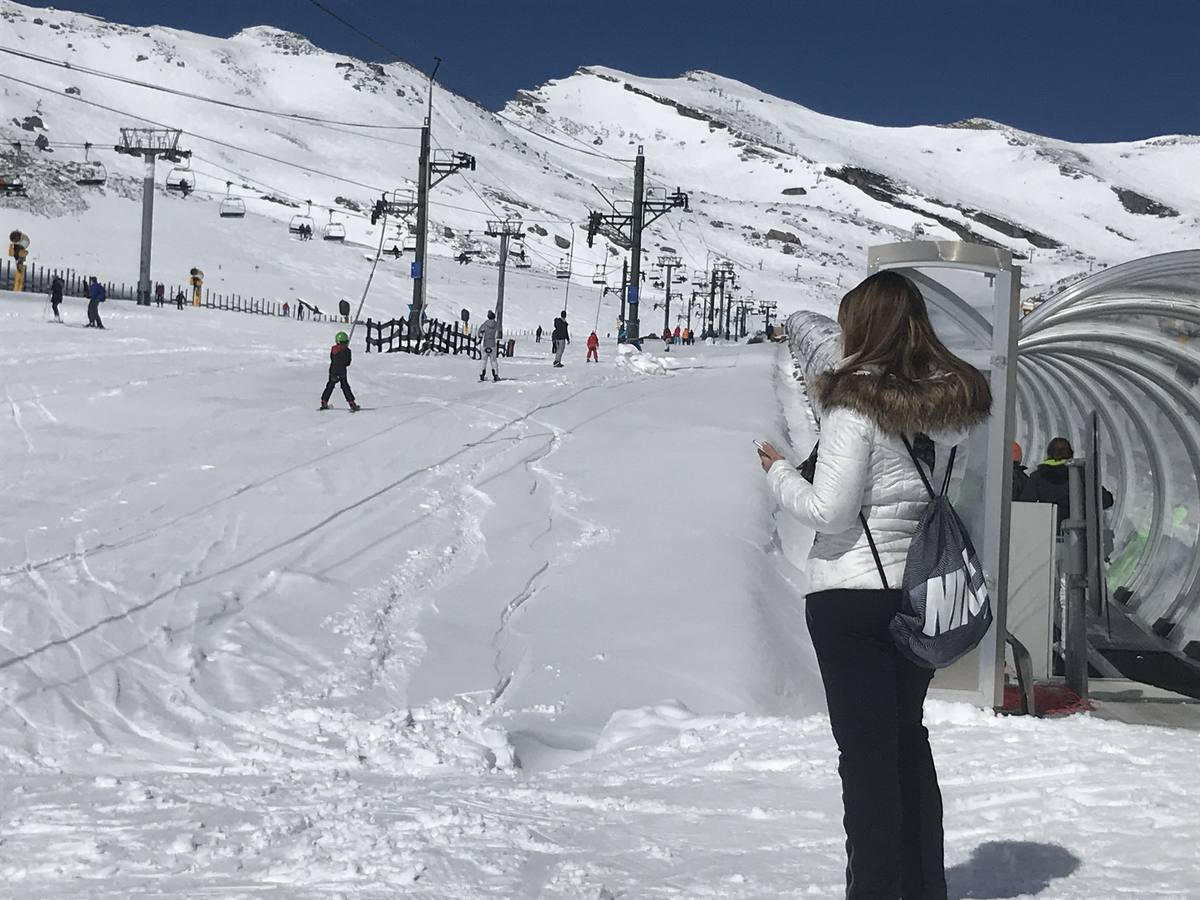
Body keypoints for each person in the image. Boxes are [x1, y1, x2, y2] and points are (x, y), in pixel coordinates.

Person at [756, 271, 991, 900]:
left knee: (865, 757)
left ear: (862, 327)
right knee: (907, 741)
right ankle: (921, 886)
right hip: (913, 595)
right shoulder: (946, 410)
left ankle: (877, 889)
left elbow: (830, 512)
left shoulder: (853, 402)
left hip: (850, 596)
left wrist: (779, 475)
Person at [1018, 437, 1114, 526]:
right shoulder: (1080, 476)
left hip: (1047, 533)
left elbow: (1024, 505)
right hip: (1078, 535)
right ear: (1070, 454)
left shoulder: (1038, 477)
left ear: (1048, 455)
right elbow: (1106, 500)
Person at [320, 331, 359, 411]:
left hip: (333, 371)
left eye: (345, 342)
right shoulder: (346, 351)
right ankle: (351, 403)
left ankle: (324, 401)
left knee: (331, 386)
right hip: (340, 372)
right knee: (344, 387)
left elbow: (335, 360)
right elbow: (347, 363)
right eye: (343, 343)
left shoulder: (334, 350)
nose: (344, 344)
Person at [478, 310, 501, 382]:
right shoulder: (496, 324)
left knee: (484, 360)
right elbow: (497, 335)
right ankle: (496, 375)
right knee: (493, 360)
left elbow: (480, 333)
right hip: (493, 344)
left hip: (485, 344)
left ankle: (482, 374)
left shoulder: (485, 324)